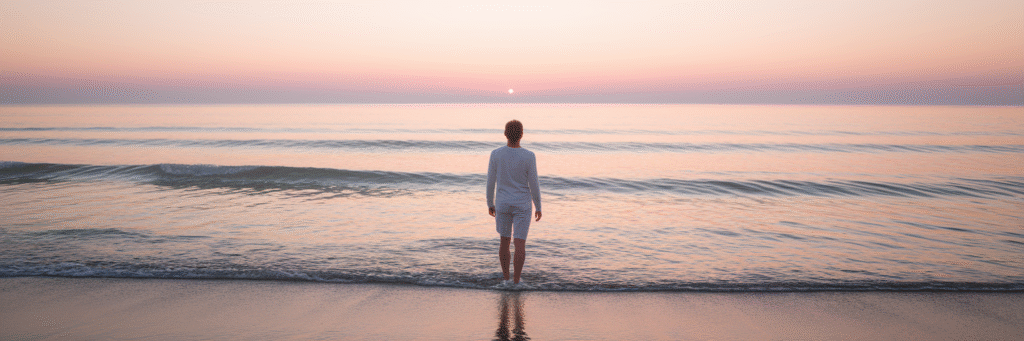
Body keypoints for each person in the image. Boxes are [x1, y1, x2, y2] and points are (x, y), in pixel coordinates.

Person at [487, 119, 542, 285]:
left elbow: (490, 181)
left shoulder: (496, 154)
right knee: (519, 244)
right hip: (522, 205)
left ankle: (505, 279)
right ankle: (516, 281)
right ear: (522, 135)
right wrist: (538, 206)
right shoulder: (529, 156)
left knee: (504, 242)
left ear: (505, 134)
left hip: (503, 203)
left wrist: (490, 203)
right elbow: (534, 184)